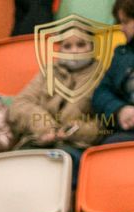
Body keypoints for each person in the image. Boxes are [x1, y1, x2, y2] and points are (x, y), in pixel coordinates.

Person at [10, 24, 105, 165]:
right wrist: (44, 126)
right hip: (39, 141)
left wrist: (75, 131)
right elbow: (20, 104)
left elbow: (104, 123)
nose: (74, 51)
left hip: (76, 147)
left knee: (58, 161)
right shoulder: (48, 72)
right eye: (67, 46)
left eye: (81, 45)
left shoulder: (103, 76)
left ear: (92, 46)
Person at [93, 0, 134, 144]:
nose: (121, 28)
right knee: (111, 147)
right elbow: (101, 93)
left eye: (126, 22)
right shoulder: (122, 54)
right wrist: (120, 110)